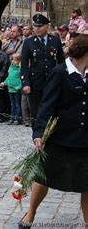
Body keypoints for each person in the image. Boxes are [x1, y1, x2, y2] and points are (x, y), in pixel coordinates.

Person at [19, 34, 88, 228]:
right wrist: (39, 133)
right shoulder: (60, 72)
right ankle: (30, 214)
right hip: (61, 138)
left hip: (85, 138)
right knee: (44, 179)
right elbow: (46, 105)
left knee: (87, 184)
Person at [21, 14, 64, 127]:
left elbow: (61, 62)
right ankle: (38, 139)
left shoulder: (55, 40)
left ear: (46, 26)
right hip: (35, 83)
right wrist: (25, 83)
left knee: (52, 110)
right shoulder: (28, 42)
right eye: (35, 26)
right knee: (36, 113)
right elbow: (24, 65)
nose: (37, 28)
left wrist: (63, 79)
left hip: (52, 81)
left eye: (40, 26)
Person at [4, 53, 22, 125]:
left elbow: (22, 79)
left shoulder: (20, 69)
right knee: (12, 104)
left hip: (16, 89)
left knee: (17, 104)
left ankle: (18, 118)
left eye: (15, 60)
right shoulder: (11, 68)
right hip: (10, 89)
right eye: (12, 60)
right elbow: (9, 77)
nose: (13, 61)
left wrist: (19, 87)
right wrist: (5, 82)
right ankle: (12, 117)